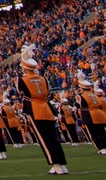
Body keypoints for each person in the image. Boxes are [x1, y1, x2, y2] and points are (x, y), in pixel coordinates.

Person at [16, 44, 68, 175]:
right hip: (46, 108)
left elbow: (20, 91)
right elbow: (48, 92)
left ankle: (55, 165)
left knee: (44, 139)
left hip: (35, 109)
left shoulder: (22, 79)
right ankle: (62, 163)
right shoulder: (43, 78)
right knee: (53, 137)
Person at [76, 69, 106, 154]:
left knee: (93, 133)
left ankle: (100, 148)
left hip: (89, 115)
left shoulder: (81, 96)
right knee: (101, 132)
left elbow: (79, 105)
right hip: (100, 114)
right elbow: (100, 104)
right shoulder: (95, 95)